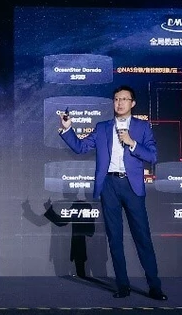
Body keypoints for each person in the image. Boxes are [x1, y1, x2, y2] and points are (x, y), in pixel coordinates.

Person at [58, 85, 166, 300]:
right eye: (116, 99)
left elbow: (152, 156)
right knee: (115, 238)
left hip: (132, 186)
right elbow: (80, 147)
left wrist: (132, 143)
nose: (119, 103)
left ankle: (154, 286)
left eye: (124, 99)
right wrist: (68, 129)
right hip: (109, 185)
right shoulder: (103, 127)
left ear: (132, 103)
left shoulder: (142, 127)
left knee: (142, 238)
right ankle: (122, 285)